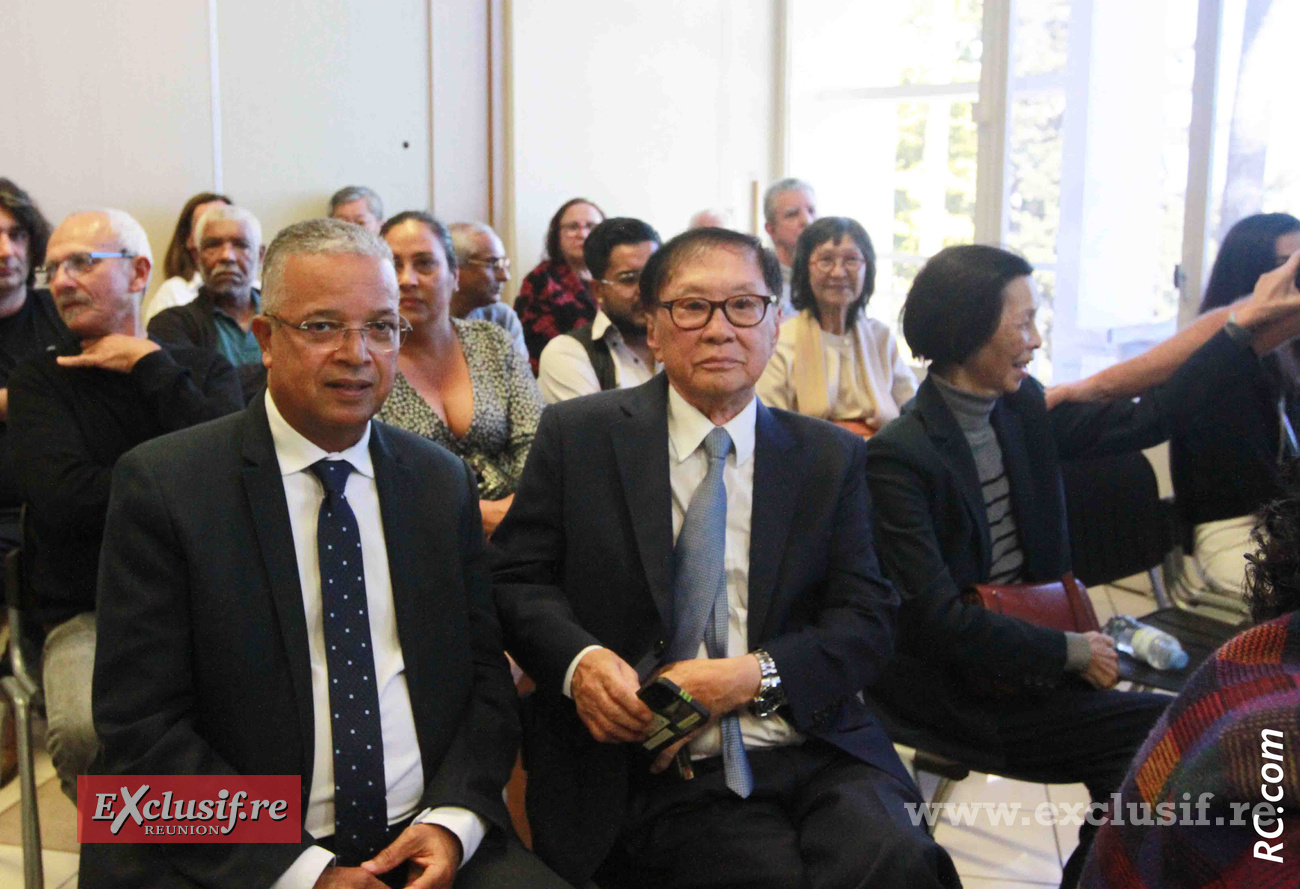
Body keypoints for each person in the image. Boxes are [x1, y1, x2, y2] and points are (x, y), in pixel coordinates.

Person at [82, 218, 567, 889]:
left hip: (424, 836)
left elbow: (485, 679)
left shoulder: (435, 481)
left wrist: (453, 820)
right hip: (246, 853)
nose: (357, 353)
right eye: (321, 326)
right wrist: (303, 871)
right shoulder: (167, 485)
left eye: (381, 326)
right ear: (266, 340)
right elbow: (140, 731)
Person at [492, 226, 959, 889]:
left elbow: (868, 620)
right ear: (653, 327)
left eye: (744, 305)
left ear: (774, 325)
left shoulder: (830, 456)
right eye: (692, 307)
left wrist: (748, 675)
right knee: (760, 874)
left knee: (898, 860)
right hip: (658, 761)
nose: (720, 329)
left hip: (813, 739)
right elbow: (516, 579)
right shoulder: (582, 437)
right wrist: (582, 661)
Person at [863, 243, 1300, 887]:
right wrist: (1071, 652)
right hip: (957, 690)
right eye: (1023, 323)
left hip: (1029, 664)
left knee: (1165, 740)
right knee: (1153, 740)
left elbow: (1151, 418)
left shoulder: (1019, 410)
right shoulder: (900, 457)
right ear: (968, 329)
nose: (1036, 340)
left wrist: (1240, 330)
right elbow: (938, 621)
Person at [10, 209, 242, 801]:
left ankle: (224, 848)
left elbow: (234, 479)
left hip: (203, 601)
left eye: (81, 263)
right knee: (90, 734)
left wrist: (150, 368)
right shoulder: (43, 379)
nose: (60, 281)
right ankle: (140, 858)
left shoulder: (198, 370)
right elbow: (66, 503)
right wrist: (180, 484)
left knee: (261, 719)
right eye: (53, 268)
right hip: (89, 609)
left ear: (140, 271)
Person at [1052, 212, 1300, 600]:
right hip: (1240, 528)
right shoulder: (1222, 368)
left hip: (1276, 523)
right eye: (1288, 265)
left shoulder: (1281, 355)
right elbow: (1248, 482)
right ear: (1255, 276)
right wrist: (1092, 388)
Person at [1078, 473, 1300, 887]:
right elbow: (942, 619)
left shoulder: (1250, 661)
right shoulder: (1273, 730)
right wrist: (1069, 650)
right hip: (1000, 677)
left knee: (1155, 742)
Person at [375, 212, 543, 537]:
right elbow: (375, 477)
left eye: (424, 264)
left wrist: (517, 510)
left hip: (518, 533)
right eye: (394, 265)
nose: (407, 279)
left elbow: (536, 444)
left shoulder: (492, 343)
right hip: (414, 540)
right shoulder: (366, 358)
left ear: (454, 276)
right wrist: (477, 515)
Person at [757, 217, 916, 436]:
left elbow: (913, 413)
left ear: (866, 269)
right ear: (805, 269)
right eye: (825, 260)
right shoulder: (781, 340)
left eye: (851, 260)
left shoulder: (880, 337)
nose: (838, 272)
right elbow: (770, 425)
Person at [0, 179, 66, 555]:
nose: (6, 251)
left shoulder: (62, 312)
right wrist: (41, 396)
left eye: (17, 235)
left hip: (53, 511)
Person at [148, 204, 267, 401]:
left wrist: (221, 378)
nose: (226, 256)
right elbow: (189, 396)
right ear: (196, 256)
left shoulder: (287, 315)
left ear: (260, 255)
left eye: (240, 244)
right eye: (213, 245)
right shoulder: (171, 325)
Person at [537, 217, 661, 403]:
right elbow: (596, 431)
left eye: (654, 276)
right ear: (598, 289)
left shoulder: (686, 341)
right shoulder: (568, 353)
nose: (645, 290)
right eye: (629, 278)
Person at [513, 197, 605, 371]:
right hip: (562, 376)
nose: (583, 234)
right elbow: (531, 349)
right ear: (557, 235)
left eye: (591, 227)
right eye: (572, 227)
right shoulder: (540, 280)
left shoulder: (618, 277)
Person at [144, 191, 233, 322]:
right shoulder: (173, 294)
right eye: (207, 225)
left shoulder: (258, 291)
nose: (226, 252)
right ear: (189, 239)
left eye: (227, 224)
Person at [447, 222, 527, 360]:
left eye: (504, 265)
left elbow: (521, 378)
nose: (505, 276)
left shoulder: (502, 319)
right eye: (493, 264)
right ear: (456, 267)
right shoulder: (421, 320)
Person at [762, 178, 817, 312]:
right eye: (792, 214)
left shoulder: (830, 279)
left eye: (811, 211)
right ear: (771, 229)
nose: (807, 221)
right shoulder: (759, 282)